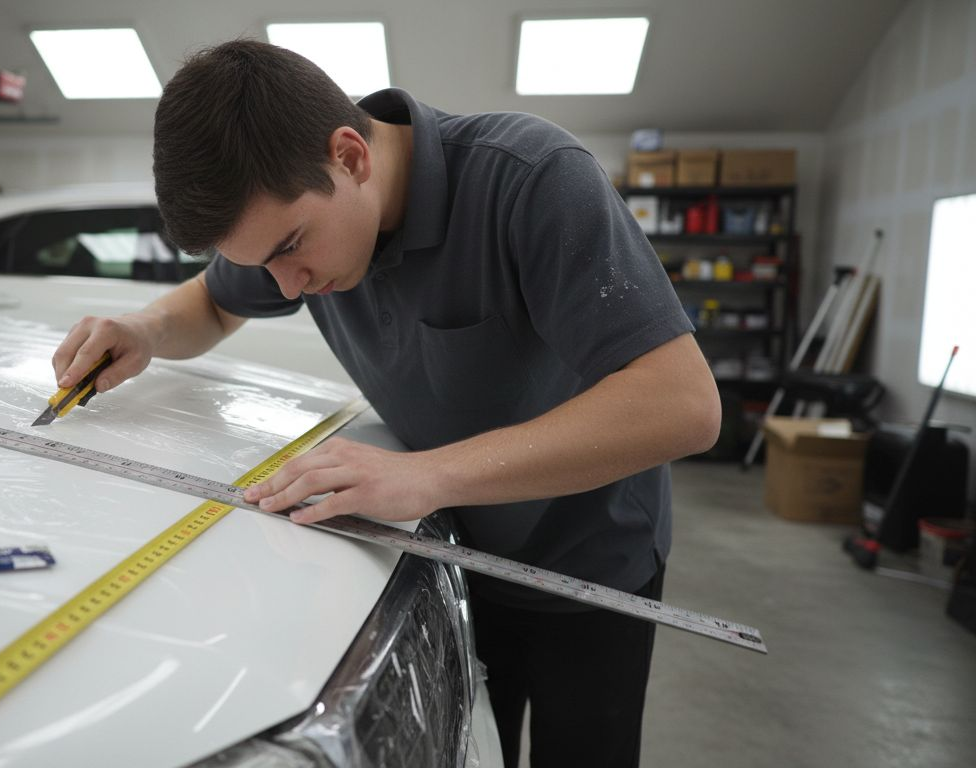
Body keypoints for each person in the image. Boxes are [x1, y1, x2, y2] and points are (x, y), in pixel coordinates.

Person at [52, 39, 721, 768]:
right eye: (263, 264)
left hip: (587, 564)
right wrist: (143, 329)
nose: (286, 286)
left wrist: (425, 475)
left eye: (291, 247)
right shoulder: (306, 225)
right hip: (456, 553)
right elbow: (212, 304)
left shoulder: (531, 180)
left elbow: (682, 403)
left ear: (351, 157)